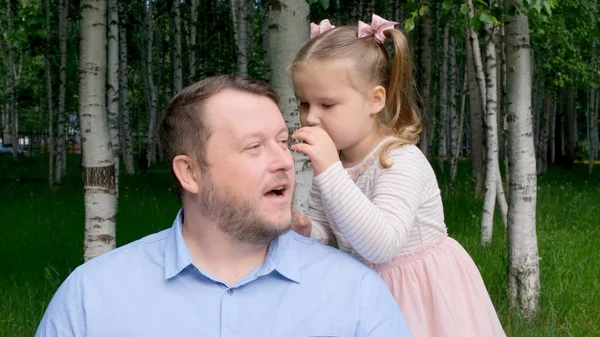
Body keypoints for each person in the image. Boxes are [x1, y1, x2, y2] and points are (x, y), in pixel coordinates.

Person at [35, 75, 411, 337]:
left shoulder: (356, 293)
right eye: (254, 147)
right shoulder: (91, 296)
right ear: (190, 173)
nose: (283, 160)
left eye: (283, 141)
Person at [290, 15, 506, 337]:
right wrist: (307, 229)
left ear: (375, 100)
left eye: (327, 104)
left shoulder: (399, 159)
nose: (311, 117)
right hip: (368, 289)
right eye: (304, 103)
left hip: (422, 292)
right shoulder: (336, 164)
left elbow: (381, 245)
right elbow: (330, 232)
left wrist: (330, 172)